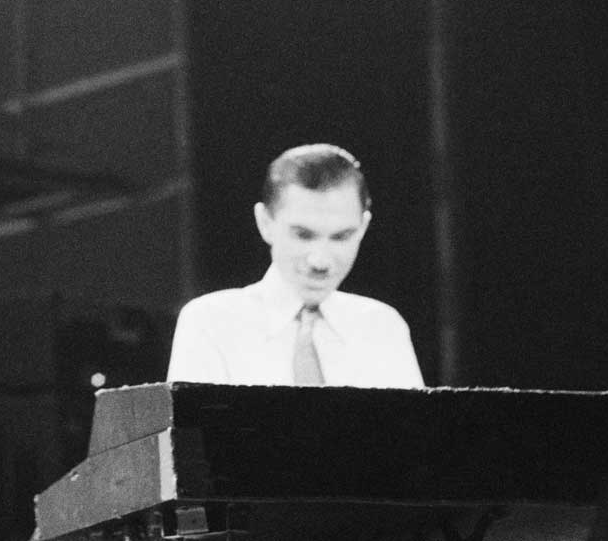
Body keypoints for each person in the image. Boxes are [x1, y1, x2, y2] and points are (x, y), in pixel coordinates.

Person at [167, 143, 423, 388]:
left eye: (341, 237)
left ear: (363, 227)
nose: (320, 260)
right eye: (303, 235)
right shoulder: (211, 324)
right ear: (265, 222)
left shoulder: (383, 328)